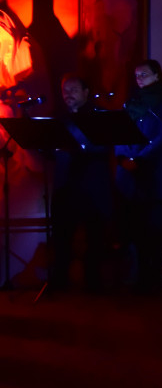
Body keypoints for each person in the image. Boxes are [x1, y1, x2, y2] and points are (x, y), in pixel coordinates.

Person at [115, 60, 162, 295]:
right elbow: (119, 133)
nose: (139, 78)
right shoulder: (130, 104)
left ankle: (153, 277)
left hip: (154, 174)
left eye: (144, 74)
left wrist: (140, 159)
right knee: (134, 229)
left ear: (157, 75)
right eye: (137, 75)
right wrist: (123, 157)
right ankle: (138, 277)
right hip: (129, 177)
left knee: (156, 229)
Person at [49, 74, 113, 292]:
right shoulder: (59, 118)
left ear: (86, 92)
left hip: (92, 188)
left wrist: (77, 147)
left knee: (94, 238)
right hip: (65, 187)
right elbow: (51, 153)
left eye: (73, 90)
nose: (68, 94)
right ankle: (60, 281)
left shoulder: (99, 116)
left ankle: (93, 284)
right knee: (61, 237)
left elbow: (104, 148)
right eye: (65, 90)